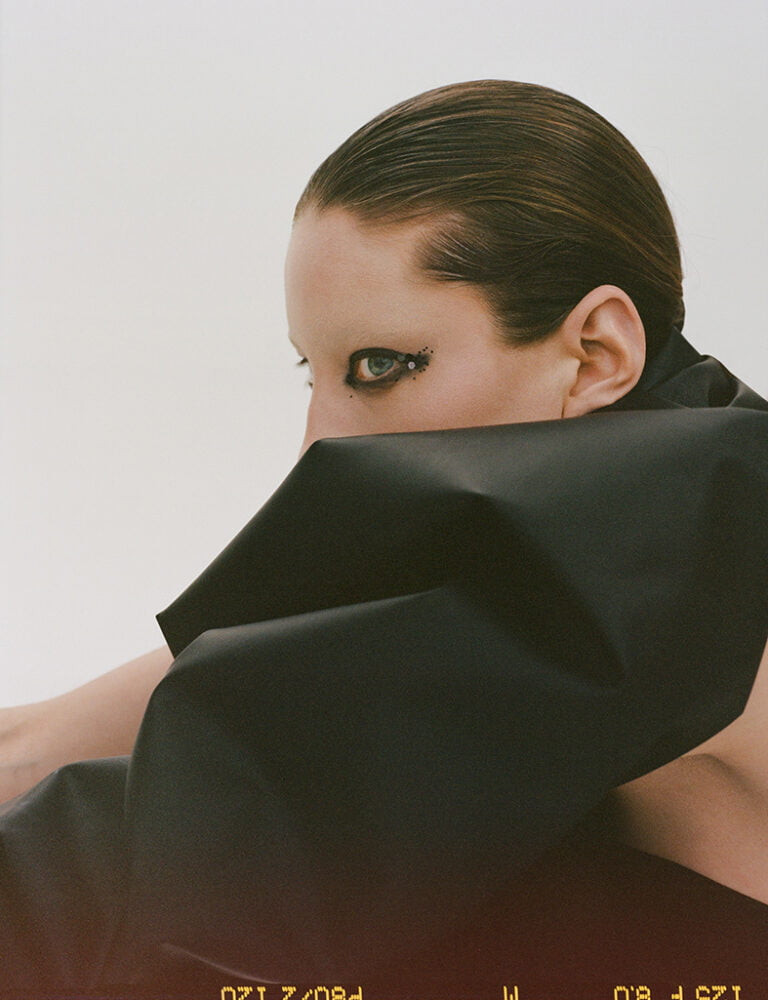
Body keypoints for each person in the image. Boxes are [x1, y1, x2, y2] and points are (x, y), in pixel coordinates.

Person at [1, 80, 767, 997]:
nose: (318, 444)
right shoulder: (555, 559)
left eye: (380, 366)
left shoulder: (666, 585)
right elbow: (44, 744)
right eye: (313, 372)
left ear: (598, 353)